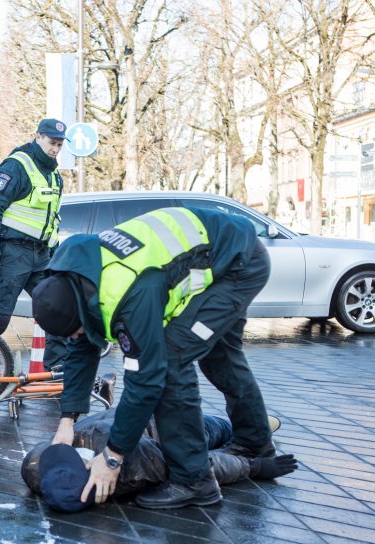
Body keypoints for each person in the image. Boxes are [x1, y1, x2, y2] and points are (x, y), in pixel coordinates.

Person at [31, 204, 282, 509]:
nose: (74, 339)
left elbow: (146, 381)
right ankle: (255, 443)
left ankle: (194, 480)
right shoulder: (77, 278)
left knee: (172, 360)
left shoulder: (126, 291)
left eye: (74, 331)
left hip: (238, 266)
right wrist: (67, 419)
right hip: (224, 252)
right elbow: (82, 349)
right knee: (221, 358)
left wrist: (112, 458)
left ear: (79, 312)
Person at [21, 411, 295, 512]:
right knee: (209, 435)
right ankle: (253, 429)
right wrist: (254, 468)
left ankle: (255, 426)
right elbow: (193, 464)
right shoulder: (127, 468)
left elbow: (190, 463)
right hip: (165, 430)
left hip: (155, 418)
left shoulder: (37, 465)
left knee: (221, 428)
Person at [0, 118, 69, 368]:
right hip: (12, 254)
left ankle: (54, 372)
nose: (55, 149)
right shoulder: (16, 167)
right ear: (38, 136)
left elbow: (50, 220)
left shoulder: (53, 175)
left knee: (57, 311)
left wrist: (54, 256)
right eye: (52, 143)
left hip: (41, 256)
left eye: (60, 145)